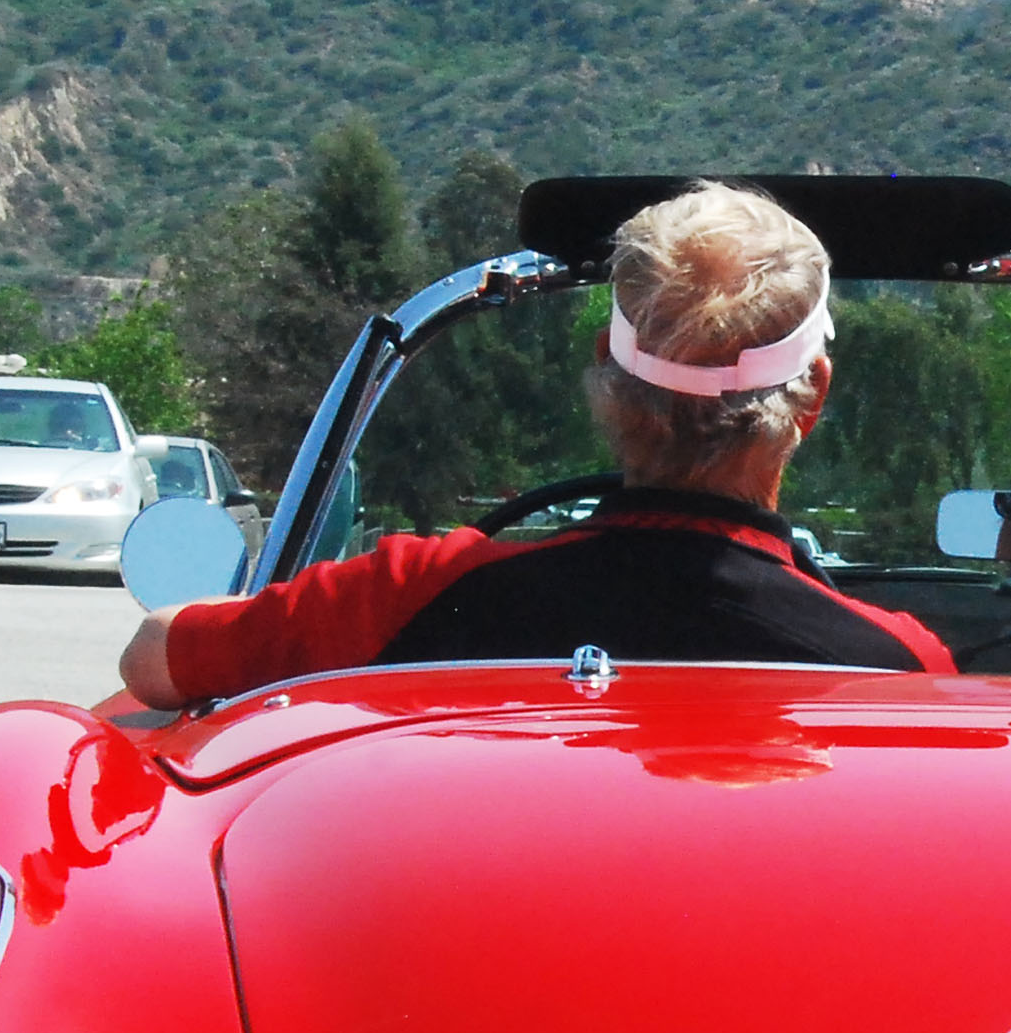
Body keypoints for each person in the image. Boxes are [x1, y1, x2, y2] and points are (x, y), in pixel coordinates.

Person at [120, 182, 951, 705]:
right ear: (812, 401)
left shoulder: (414, 594)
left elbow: (154, 660)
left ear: (608, 373)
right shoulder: (896, 668)